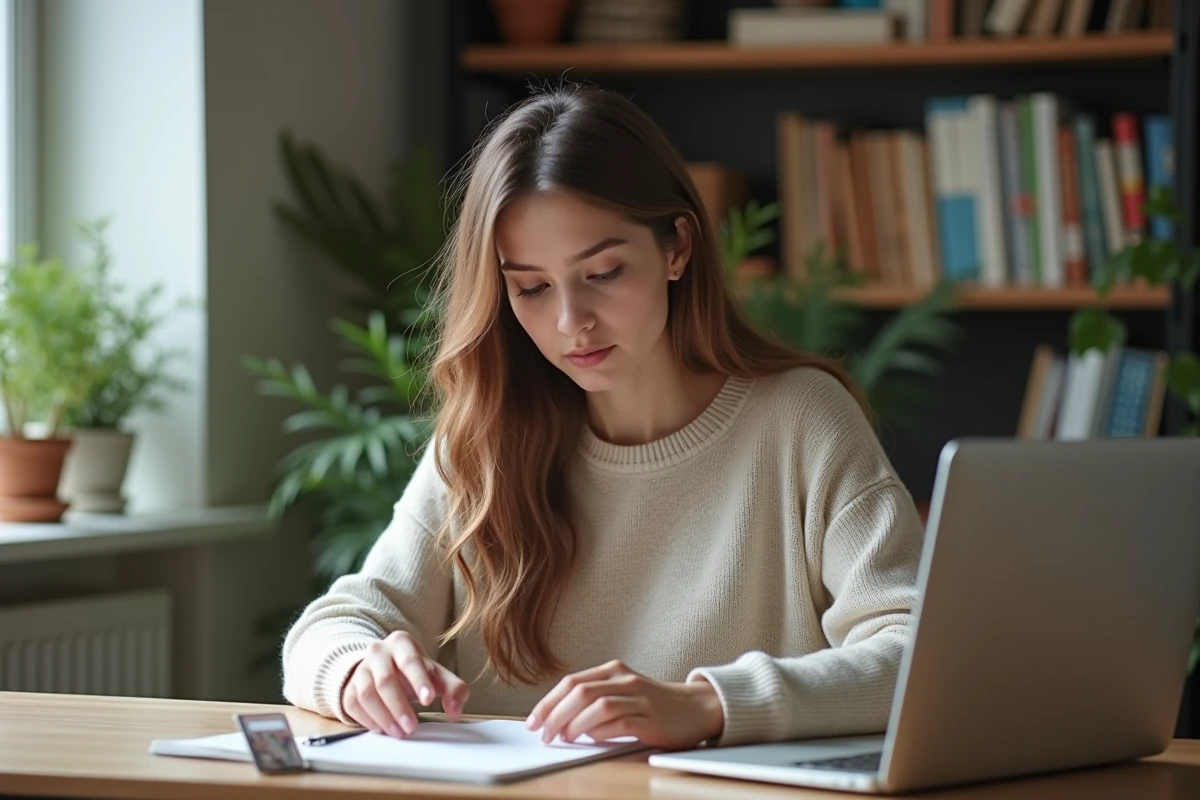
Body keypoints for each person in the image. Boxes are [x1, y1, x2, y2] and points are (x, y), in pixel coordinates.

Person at [281, 84, 924, 752]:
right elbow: (337, 624)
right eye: (531, 287)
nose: (571, 321)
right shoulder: (486, 438)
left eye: (604, 272)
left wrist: (709, 704)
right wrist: (355, 669)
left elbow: (914, 653)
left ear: (677, 247)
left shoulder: (802, 422)